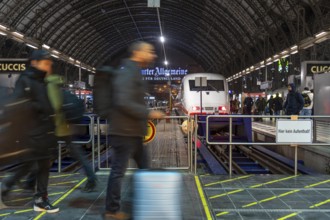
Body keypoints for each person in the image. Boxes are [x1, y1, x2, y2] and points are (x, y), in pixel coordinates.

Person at [104, 41, 164, 219]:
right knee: (118, 172)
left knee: (144, 168)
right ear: (138, 53)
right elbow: (123, 102)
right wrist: (149, 112)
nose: (153, 55)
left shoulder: (134, 71)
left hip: (133, 132)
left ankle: (144, 204)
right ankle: (112, 211)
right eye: (150, 52)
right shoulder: (127, 72)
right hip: (123, 132)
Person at [1, 50, 59, 213]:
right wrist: (40, 108)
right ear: (35, 62)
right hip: (34, 133)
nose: (49, 67)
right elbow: (18, 105)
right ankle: (40, 199)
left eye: (50, 64)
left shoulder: (41, 81)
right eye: (46, 64)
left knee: (34, 164)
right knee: (41, 166)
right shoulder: (26, 80)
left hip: (42, 132)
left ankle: (10, 185)